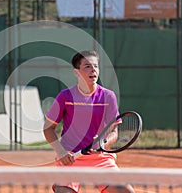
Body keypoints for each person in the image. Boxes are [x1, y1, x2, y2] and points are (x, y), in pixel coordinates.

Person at [43, 50, 134, 193]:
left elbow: (114, 131)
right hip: (71, 158)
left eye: (96, 66)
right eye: (87, 66)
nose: (93, 70)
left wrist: (104, 143)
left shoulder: (108, 96)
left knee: (126, 191)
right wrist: (61, 152)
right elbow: (48, 128)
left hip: (101, 159)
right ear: (76, 72)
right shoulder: (65, 96)